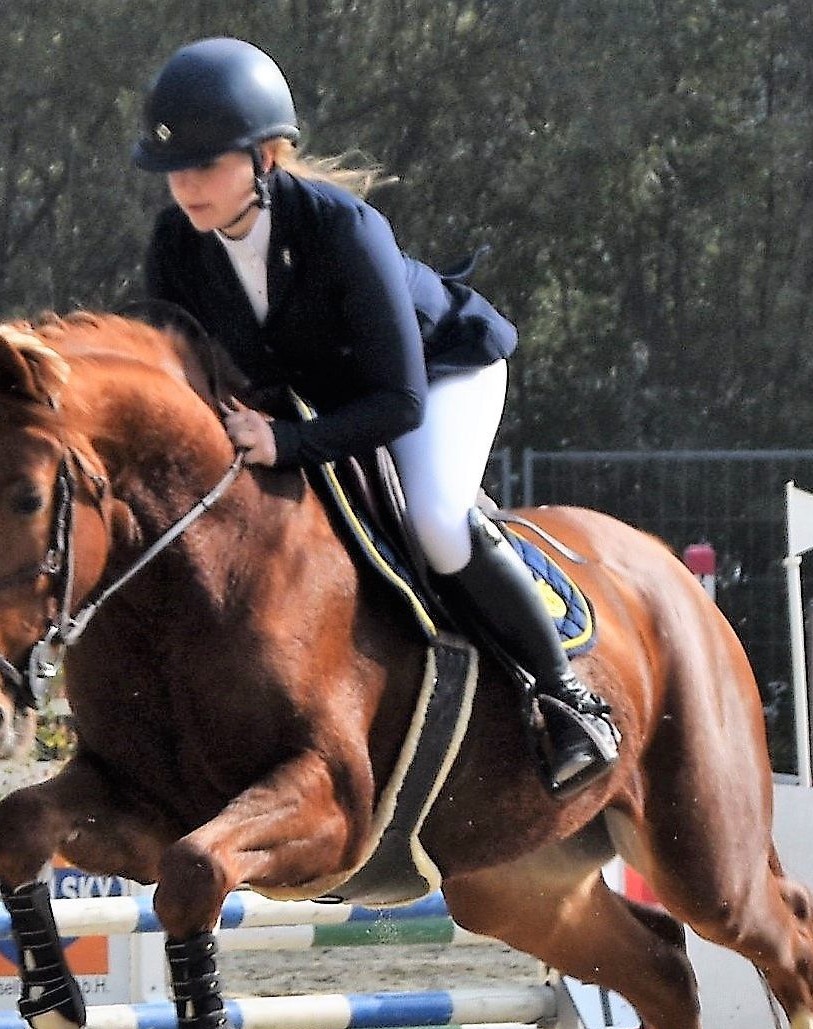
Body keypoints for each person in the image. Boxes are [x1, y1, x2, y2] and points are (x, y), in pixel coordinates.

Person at [132, 37, 618, 797]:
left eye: (204, 164)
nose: (185, 186)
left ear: (264, 158)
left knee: (434, 520)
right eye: (173, 170)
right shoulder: (177, 244)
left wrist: (286, 442)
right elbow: (174, 365)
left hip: (439, 372)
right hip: (317, 395)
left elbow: (401, 401)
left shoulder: (343, 228)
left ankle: (566, 697)